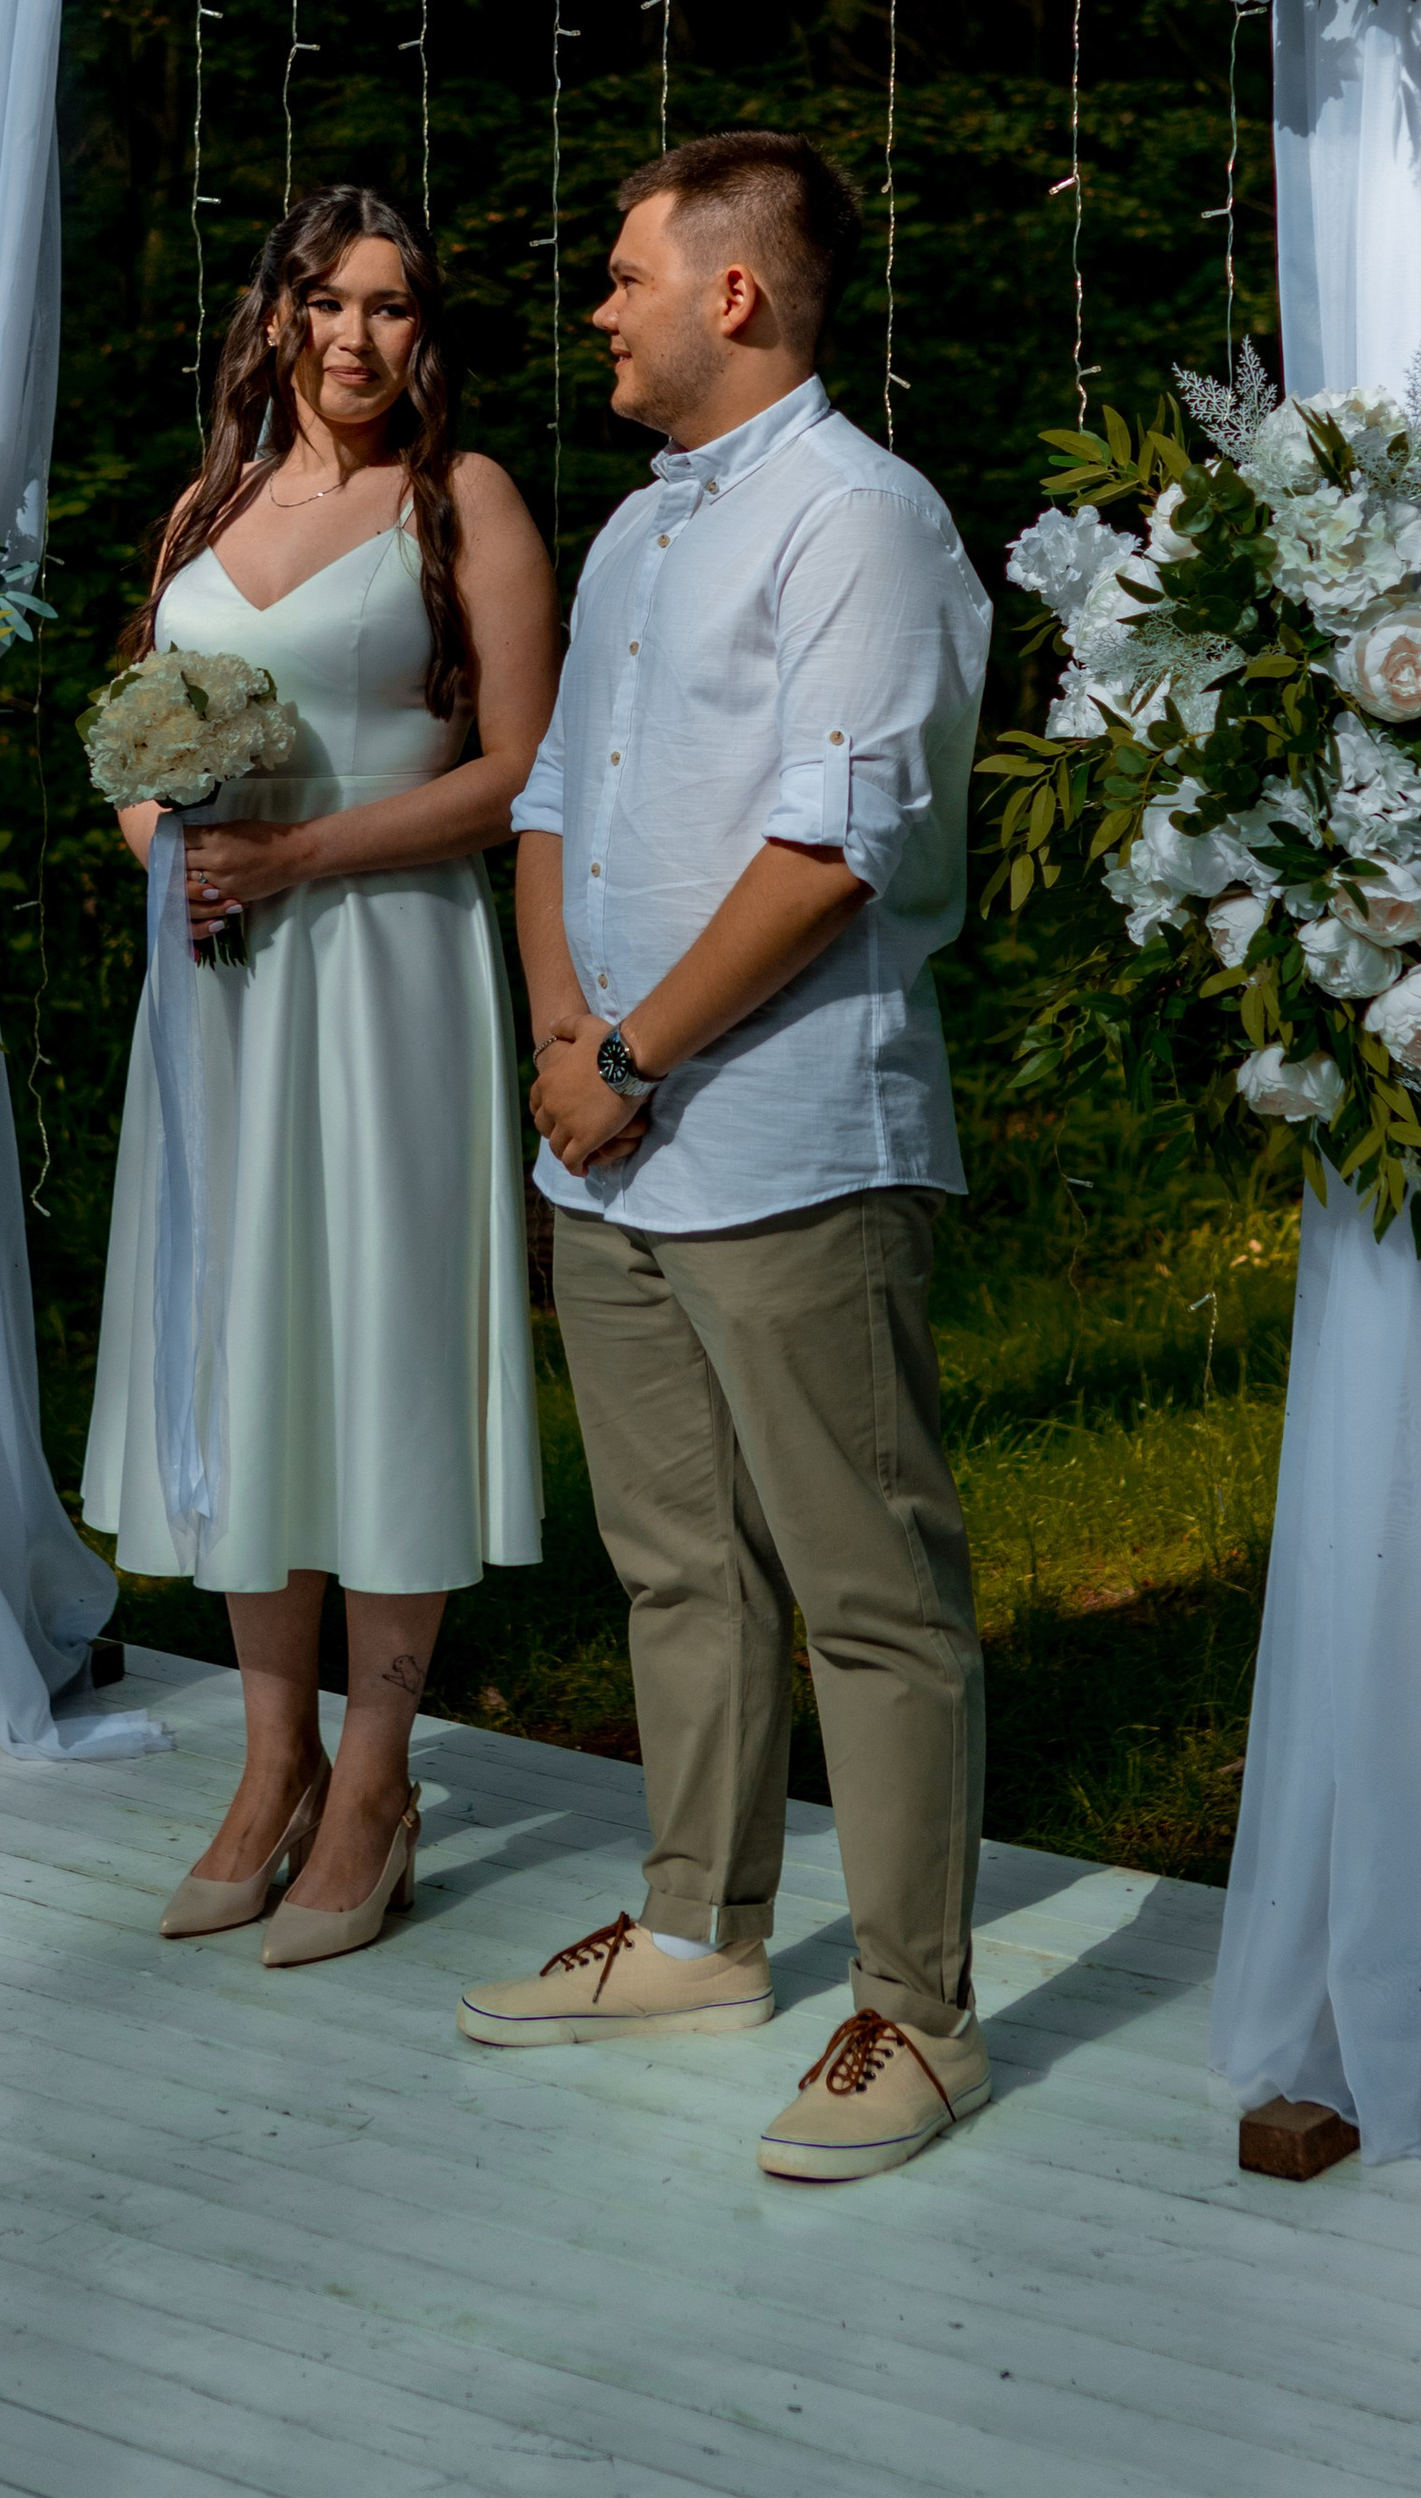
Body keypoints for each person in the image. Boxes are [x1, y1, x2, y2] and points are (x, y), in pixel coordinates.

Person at [453, 130, 995, 2182]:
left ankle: (917, 2014)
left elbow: (833, 850)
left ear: (732, 296)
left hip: (777, 1133)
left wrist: (639, 1054)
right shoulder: (635, 532)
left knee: (866, 1586)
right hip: (609, 1133)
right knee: (675, 1563)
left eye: (620, 274)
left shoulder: (862, 523)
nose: (596, 304)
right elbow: (547, 809)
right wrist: (559, 1047)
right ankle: (696, 1923)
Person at [82, 184, 555, 1966]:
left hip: (385, 970)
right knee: (246, 1338)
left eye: (396, 310)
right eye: (330, 304)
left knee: (377, 1340)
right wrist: (162, 841)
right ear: (276, 318)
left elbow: (522, 767)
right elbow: (137, 736)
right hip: (215, 984)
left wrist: (302, 857)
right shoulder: (206, 510)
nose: (360, 340)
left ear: (425, 337)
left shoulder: (463, 503)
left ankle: (375, 1777)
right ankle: (267, 1763)